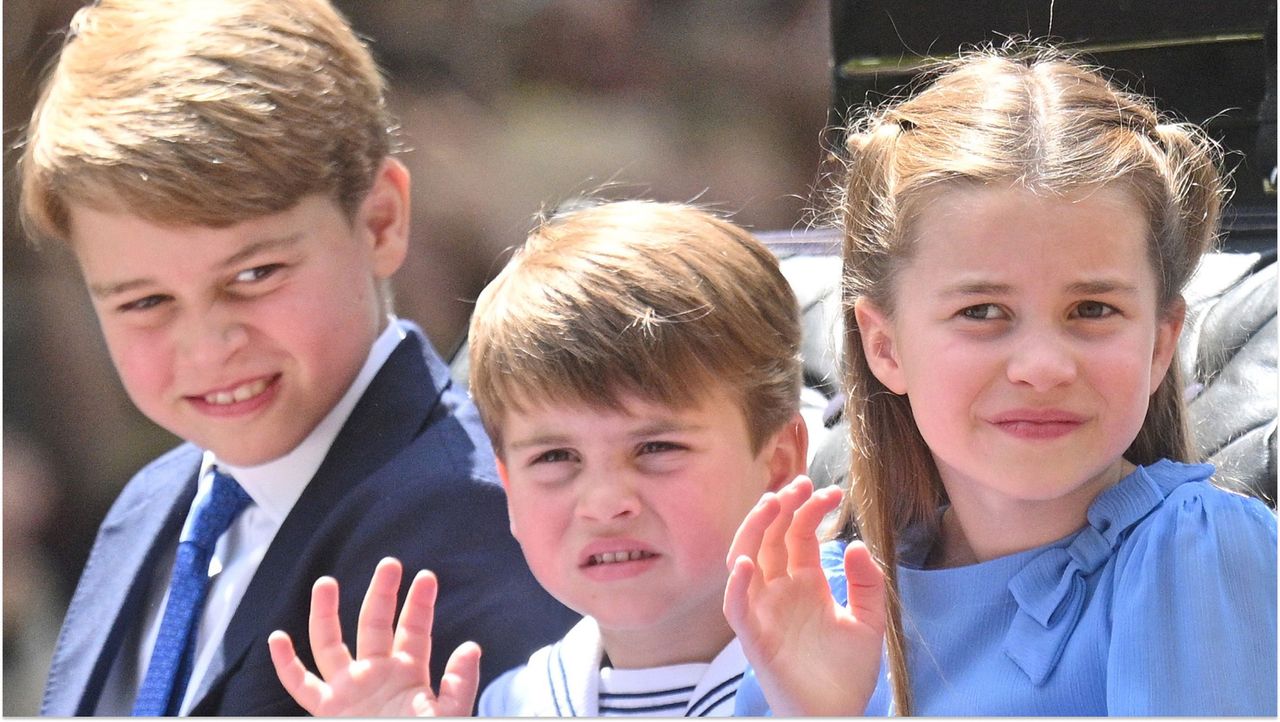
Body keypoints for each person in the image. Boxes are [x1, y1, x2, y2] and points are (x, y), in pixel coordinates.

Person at [18, 0, 578, 715]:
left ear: (380, 221)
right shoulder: (151, 507)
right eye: (144, 303)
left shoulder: (487, 523)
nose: (209, 345)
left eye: (255, 276)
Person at [724, 45, 1278, 716]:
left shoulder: (1194, 554)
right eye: (981, 312)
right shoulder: (826, 599)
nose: (1043, 367)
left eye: (1093, 310)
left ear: (1161, 342)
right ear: (885, 345)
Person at [265, 199, 838, 716]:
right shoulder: (510, 703)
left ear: (780, 462)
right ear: (508, 488)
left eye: (657, 448)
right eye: (556, 457)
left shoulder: (862, 674)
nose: (606, 502)